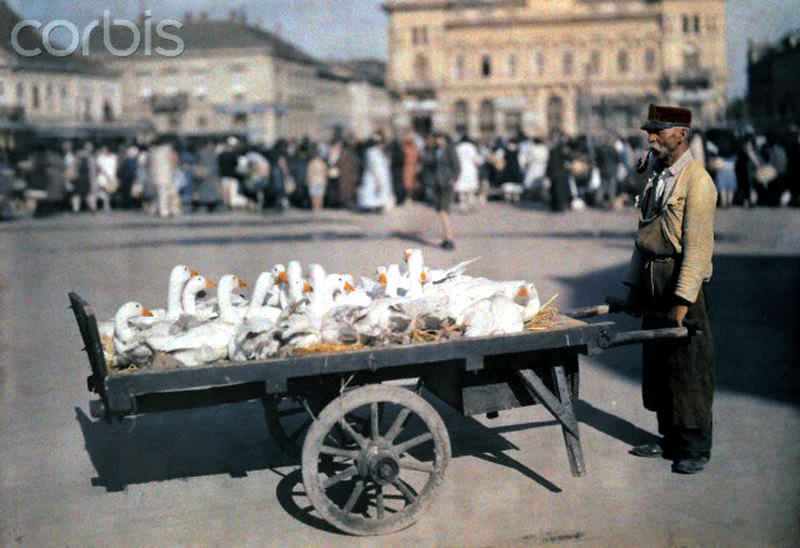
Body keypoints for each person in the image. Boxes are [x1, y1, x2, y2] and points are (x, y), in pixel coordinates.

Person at [623, 104, 716, 475]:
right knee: (659, 365)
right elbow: (643, 239)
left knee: (688, 367)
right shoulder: (657, 179)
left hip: (680, 284)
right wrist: (632, 288)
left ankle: (695, 446)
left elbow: (697, 249)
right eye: (650, 130)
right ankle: (669, 438)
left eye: (658, 131)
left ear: (680, 134)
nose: (651, 137)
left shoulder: (698, 181)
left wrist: (682, 301)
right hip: (652, 280)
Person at [433, 133, 460, 249]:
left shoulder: (450, 150)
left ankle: (449, 238)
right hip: (438, 183)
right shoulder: (437, 150)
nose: (438, 141)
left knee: (443, 211)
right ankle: (446, 237)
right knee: (441, 210)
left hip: (447, 183)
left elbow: (457, 166)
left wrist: (453, 179)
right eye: (437, 138)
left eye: (439, 138)